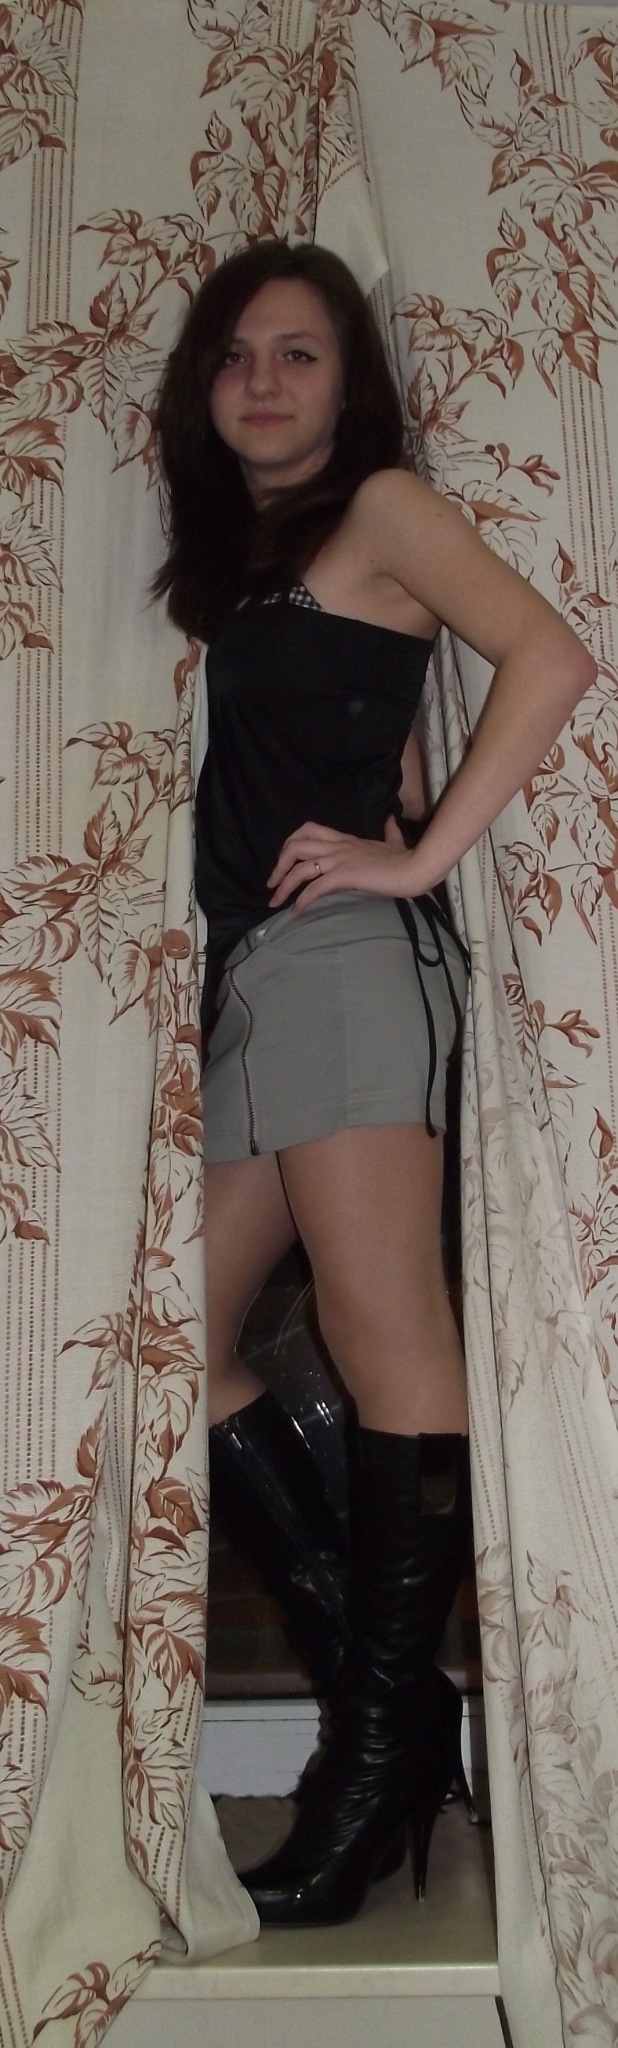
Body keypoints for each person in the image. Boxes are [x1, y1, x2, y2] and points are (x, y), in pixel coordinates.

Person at [153, 238, 596, 1929]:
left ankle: (369, 1752)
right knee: (178, 1350)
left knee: (385, 1335)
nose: (262, 382)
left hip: (344, 965)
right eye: (234, 356)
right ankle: (392, 1715)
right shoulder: (251, 565)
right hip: (262, 980)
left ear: (350, 383)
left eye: (298, 353)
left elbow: (547, 659)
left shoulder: (383, 509)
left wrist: (414, 861)